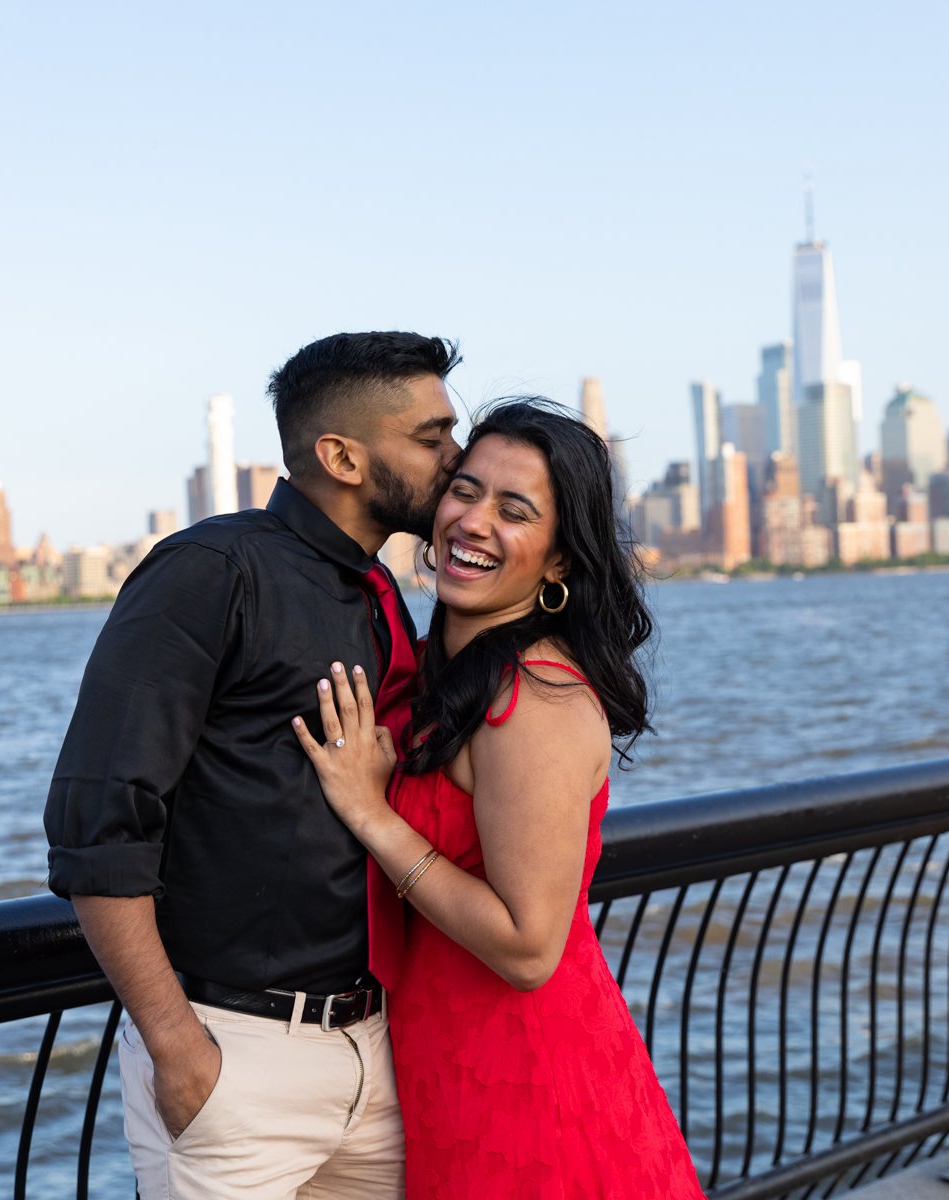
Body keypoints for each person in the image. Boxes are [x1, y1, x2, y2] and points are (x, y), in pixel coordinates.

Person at [43, 331, 461, 1199]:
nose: (455, 460)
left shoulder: (380, 593)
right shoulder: (209, 571)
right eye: (431, 438)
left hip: (375, 1048)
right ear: (342, 455)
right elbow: (99, 824)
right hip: (234, 1058)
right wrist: (177, 1045)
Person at [292, 398, 704, 1198]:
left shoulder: (538, 699)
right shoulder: (435, 675)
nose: (474, 521)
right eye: (465, 491)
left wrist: (372, 814)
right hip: (442, 1068)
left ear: (558, 563)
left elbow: (527, 947)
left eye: (514, 511)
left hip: (532, 1084)